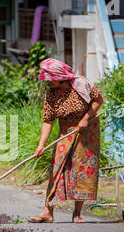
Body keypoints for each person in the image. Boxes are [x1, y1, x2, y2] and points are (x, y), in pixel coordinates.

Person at [29, 58, 104, 223]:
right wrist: (41, 145)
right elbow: (48, 120)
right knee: (57, 168)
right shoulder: (51, 94)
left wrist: (85, 118)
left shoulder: (81, 84)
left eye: (50, 78)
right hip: (65, 133)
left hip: (86, 132)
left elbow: (98, 100)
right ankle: (48, 212)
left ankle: (77, 214)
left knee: (82, 170)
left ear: (60, 76)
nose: (48, 81)